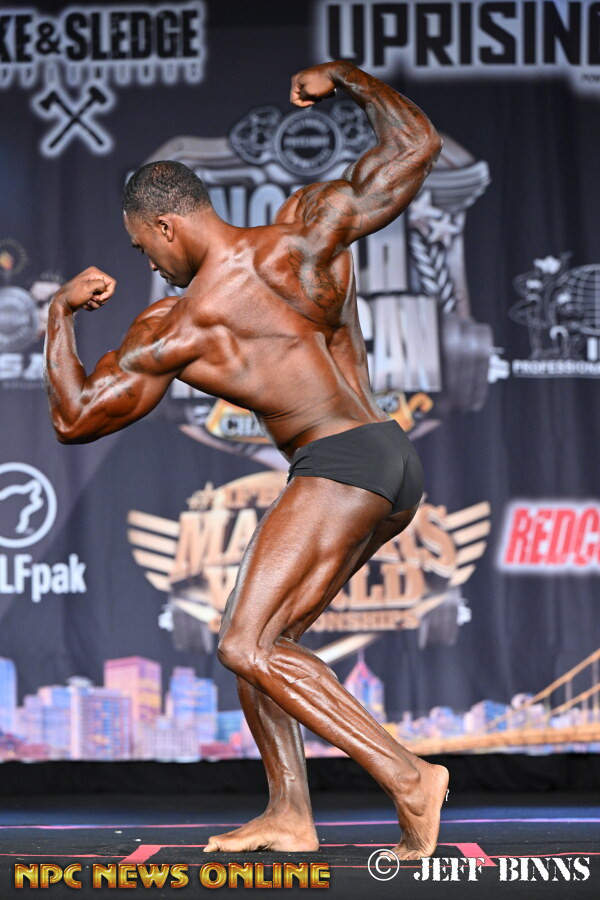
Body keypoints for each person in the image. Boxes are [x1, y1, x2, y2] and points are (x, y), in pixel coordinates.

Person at [44, 61, 447, 859]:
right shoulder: (304, 231)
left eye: (143, 246)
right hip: (387, 459)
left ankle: (409, 777)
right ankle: (290, 812)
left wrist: (58, 316)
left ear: (166, 227)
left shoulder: (176, 326)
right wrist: (348, 79)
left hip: (337, 465)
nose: (148, 263)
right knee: (263, 641)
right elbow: (415, 147)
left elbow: (75, 418)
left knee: (245, 644)